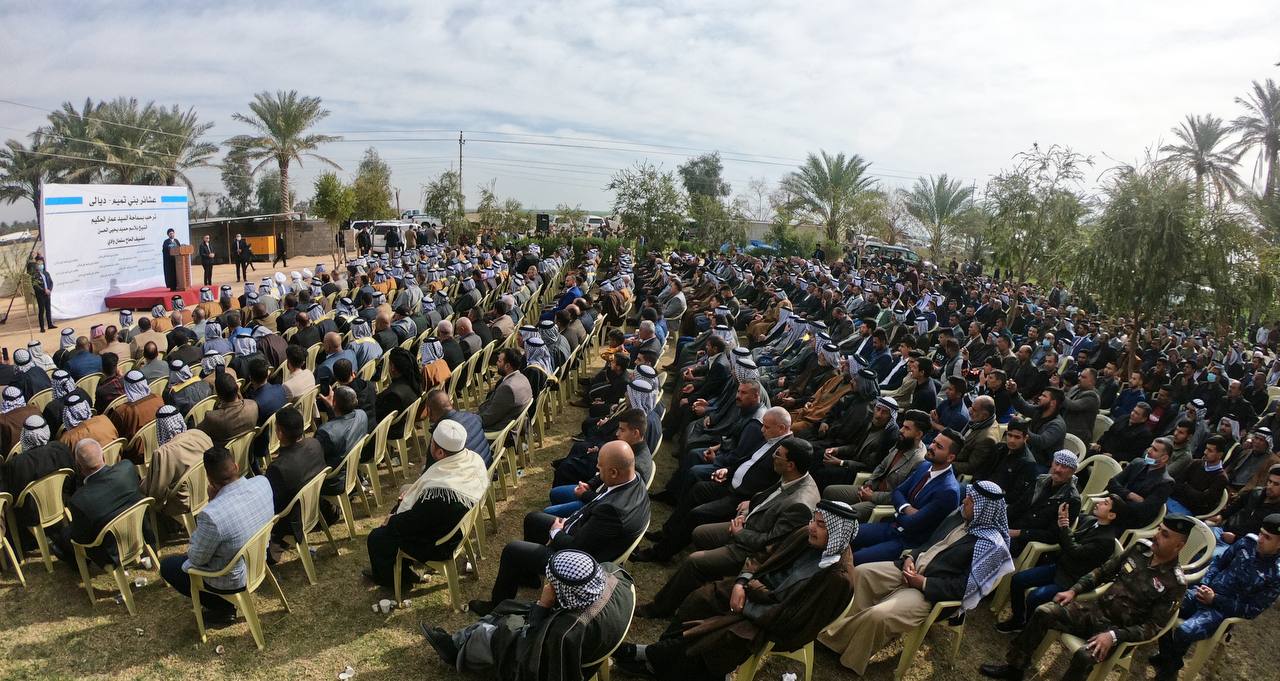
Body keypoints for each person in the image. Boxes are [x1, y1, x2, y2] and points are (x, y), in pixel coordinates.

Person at [613, 502, 858, 681]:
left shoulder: (837, 578)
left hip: (772, 620)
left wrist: (747, 606)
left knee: (719, 636)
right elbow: (762, 556)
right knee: (700, 599)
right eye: (813, 520)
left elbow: (797, 622)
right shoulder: (806, 536)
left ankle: (651, 659)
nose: (812, 527)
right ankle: (659, 658)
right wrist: (742, 583)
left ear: (837, 532)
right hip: (753, 591)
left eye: (820, 524)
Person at [819, 482, 1014, 675]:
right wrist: (910, 558)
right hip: (912, 569)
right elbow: (929, 544)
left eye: (970, 500)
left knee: (879, 615)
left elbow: (964, 589)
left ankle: (847, 655)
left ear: (983, 508)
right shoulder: (960, 517)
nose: (964, 501)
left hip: (931, 594)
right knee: (863, 573)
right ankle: (834, 630)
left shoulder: (990, 546)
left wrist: (923, 583)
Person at [979, 516, 1193, 681]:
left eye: (1165, 535)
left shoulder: (1176, 583)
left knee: (1084, 656)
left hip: (1118, 633)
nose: (1156, 535)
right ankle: (1015, 668)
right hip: (1094, 612)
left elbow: (1153, 627)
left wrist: (1113, 636)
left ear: (1179, 546)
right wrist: (1074, 590)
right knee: (1044, 611)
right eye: (1159, 529)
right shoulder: (1139, 549)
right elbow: (1103, 571)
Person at [637, 436, 821, 618]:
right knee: (700, 533)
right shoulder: (795, 476)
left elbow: (770, 545)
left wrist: (740, 533)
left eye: (778, 454)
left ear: (791, 465)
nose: (773, 456)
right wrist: (749, 508)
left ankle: (659, 608)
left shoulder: (800, 504)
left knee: (693, 561)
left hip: (751, 551)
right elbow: (769, 500)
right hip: (748, 524)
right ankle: (701, 581)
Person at [467, 440, 649, 616]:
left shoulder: (612, 511)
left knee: (512, 550)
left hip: (580, 562)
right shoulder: (633, 479)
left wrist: (556, 532)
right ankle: (529, 576)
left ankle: (497, 606)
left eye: (600, 467)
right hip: (585, 532)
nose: (597, 470)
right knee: (533, 519)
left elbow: (577, 548)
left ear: (614, 472)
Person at [422, 550, 634, 680]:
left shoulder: (564, 633)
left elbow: (530, 653)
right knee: (511, 608)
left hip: (567, 654)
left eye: (553, 582)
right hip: (597, 636)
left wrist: (543, 605)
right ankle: (466, 636)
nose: (548, 584)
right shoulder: (615, 575)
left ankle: (454, 650)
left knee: (491, 633)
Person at [1149, 513, 1280, 681]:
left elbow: (1251, 610)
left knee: (1184, 631)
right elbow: (1218, 562)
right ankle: (1170, 660)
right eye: (1261, 533)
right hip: (1204, 591)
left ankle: (1168, 668)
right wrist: (1205, 583)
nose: (1260, 539)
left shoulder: (1276, 575)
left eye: (1267, 537)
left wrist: (1215, 599)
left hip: (1221, 612)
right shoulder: (1247, 543)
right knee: (1163, 606)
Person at [363, 419, 488, 589]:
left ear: (440, 452)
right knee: (403, 498)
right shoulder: (472, 459)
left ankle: (398, 581)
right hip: (456, 526)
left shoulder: (441, 492)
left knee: (377, 537)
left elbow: (414, 523)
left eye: (432, 443)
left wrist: (392, 520)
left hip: (441, 543)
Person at [160, 445, 274, 625]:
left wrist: (212, 502)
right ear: (236, 466)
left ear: (209, 479)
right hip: (258, 560)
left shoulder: (212, 515)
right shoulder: (263, 483)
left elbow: (196, 558)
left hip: (232, 579)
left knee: (168, 566)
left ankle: (222, 607)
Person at [995, 493, 1123, 633]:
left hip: (1071, 579)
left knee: (1035, 596)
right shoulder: (1091, 521)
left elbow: (1075, 552)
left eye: (1105, 503)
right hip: (1060, 567)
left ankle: (1030, 628)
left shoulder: (1106, 540)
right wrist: (1064, 520)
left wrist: (1064, 526)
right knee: (1018, 580)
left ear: (1111, 515)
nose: (1099, 503)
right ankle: (1019, 619)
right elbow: (1069, 539)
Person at [847, 426, 963, 563]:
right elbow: (897, 492)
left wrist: (898, 512)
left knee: (856, 558)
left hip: (907, 542)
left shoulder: (948, 491)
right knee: (847, 533)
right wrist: (906, 509)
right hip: (891, 527)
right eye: (933, 442)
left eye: (939, 447)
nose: (931, 447)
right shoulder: (925, 466)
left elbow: (913, 524)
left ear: (950, 457)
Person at [53, 439, 148, 567]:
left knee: (65, 536)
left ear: (79, 466)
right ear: (103, 456)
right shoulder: (127, 468)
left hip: (111, 553)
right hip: (139, 533)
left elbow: (81, 539)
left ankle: (77, 565)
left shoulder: (79, 500)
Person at [264, 406, 325, 559]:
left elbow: (272, 505)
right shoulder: (315, 444)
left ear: (279, 433)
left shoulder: (278, 468)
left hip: (292, 521)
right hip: (314, 506)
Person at [142, 405, 213, 518]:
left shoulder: (163, 453)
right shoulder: (200, 434)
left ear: (160, 427)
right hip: (210, 490)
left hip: (185, 503)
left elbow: (156, 493)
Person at [422, 388, 492, 465]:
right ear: (451, 403)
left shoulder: (441, 435)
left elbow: (431, 467)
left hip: (470, 471)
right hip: (487, 466)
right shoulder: (473, 417)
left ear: (429, 411)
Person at [476, 348, 532, 431]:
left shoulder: (507, 388)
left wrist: (472, 420)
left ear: (507, 366)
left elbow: (488, 418)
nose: (496, 363)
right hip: (510, 421)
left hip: (499, 428)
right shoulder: (523, 378)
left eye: (499, 361)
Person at [198, 372, 259, 448]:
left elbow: (197, 432)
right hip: (246, 451)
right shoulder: (253, 405)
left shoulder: (212, 418)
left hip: (223, 453)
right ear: (237, 388)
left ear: (218, 395)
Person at [29, 255, 54, 332]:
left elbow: (51, 282)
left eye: (42, 264)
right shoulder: (35, 276)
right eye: (39, 264)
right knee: (42, 310)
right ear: (37, 266)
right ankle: (42, 327)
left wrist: (49, 290)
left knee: (48, 309)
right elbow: (35, 286)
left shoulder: (46, 273)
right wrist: (44, 290)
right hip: (41, 295)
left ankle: (50, 324)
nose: (41, 266)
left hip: (47, 294)